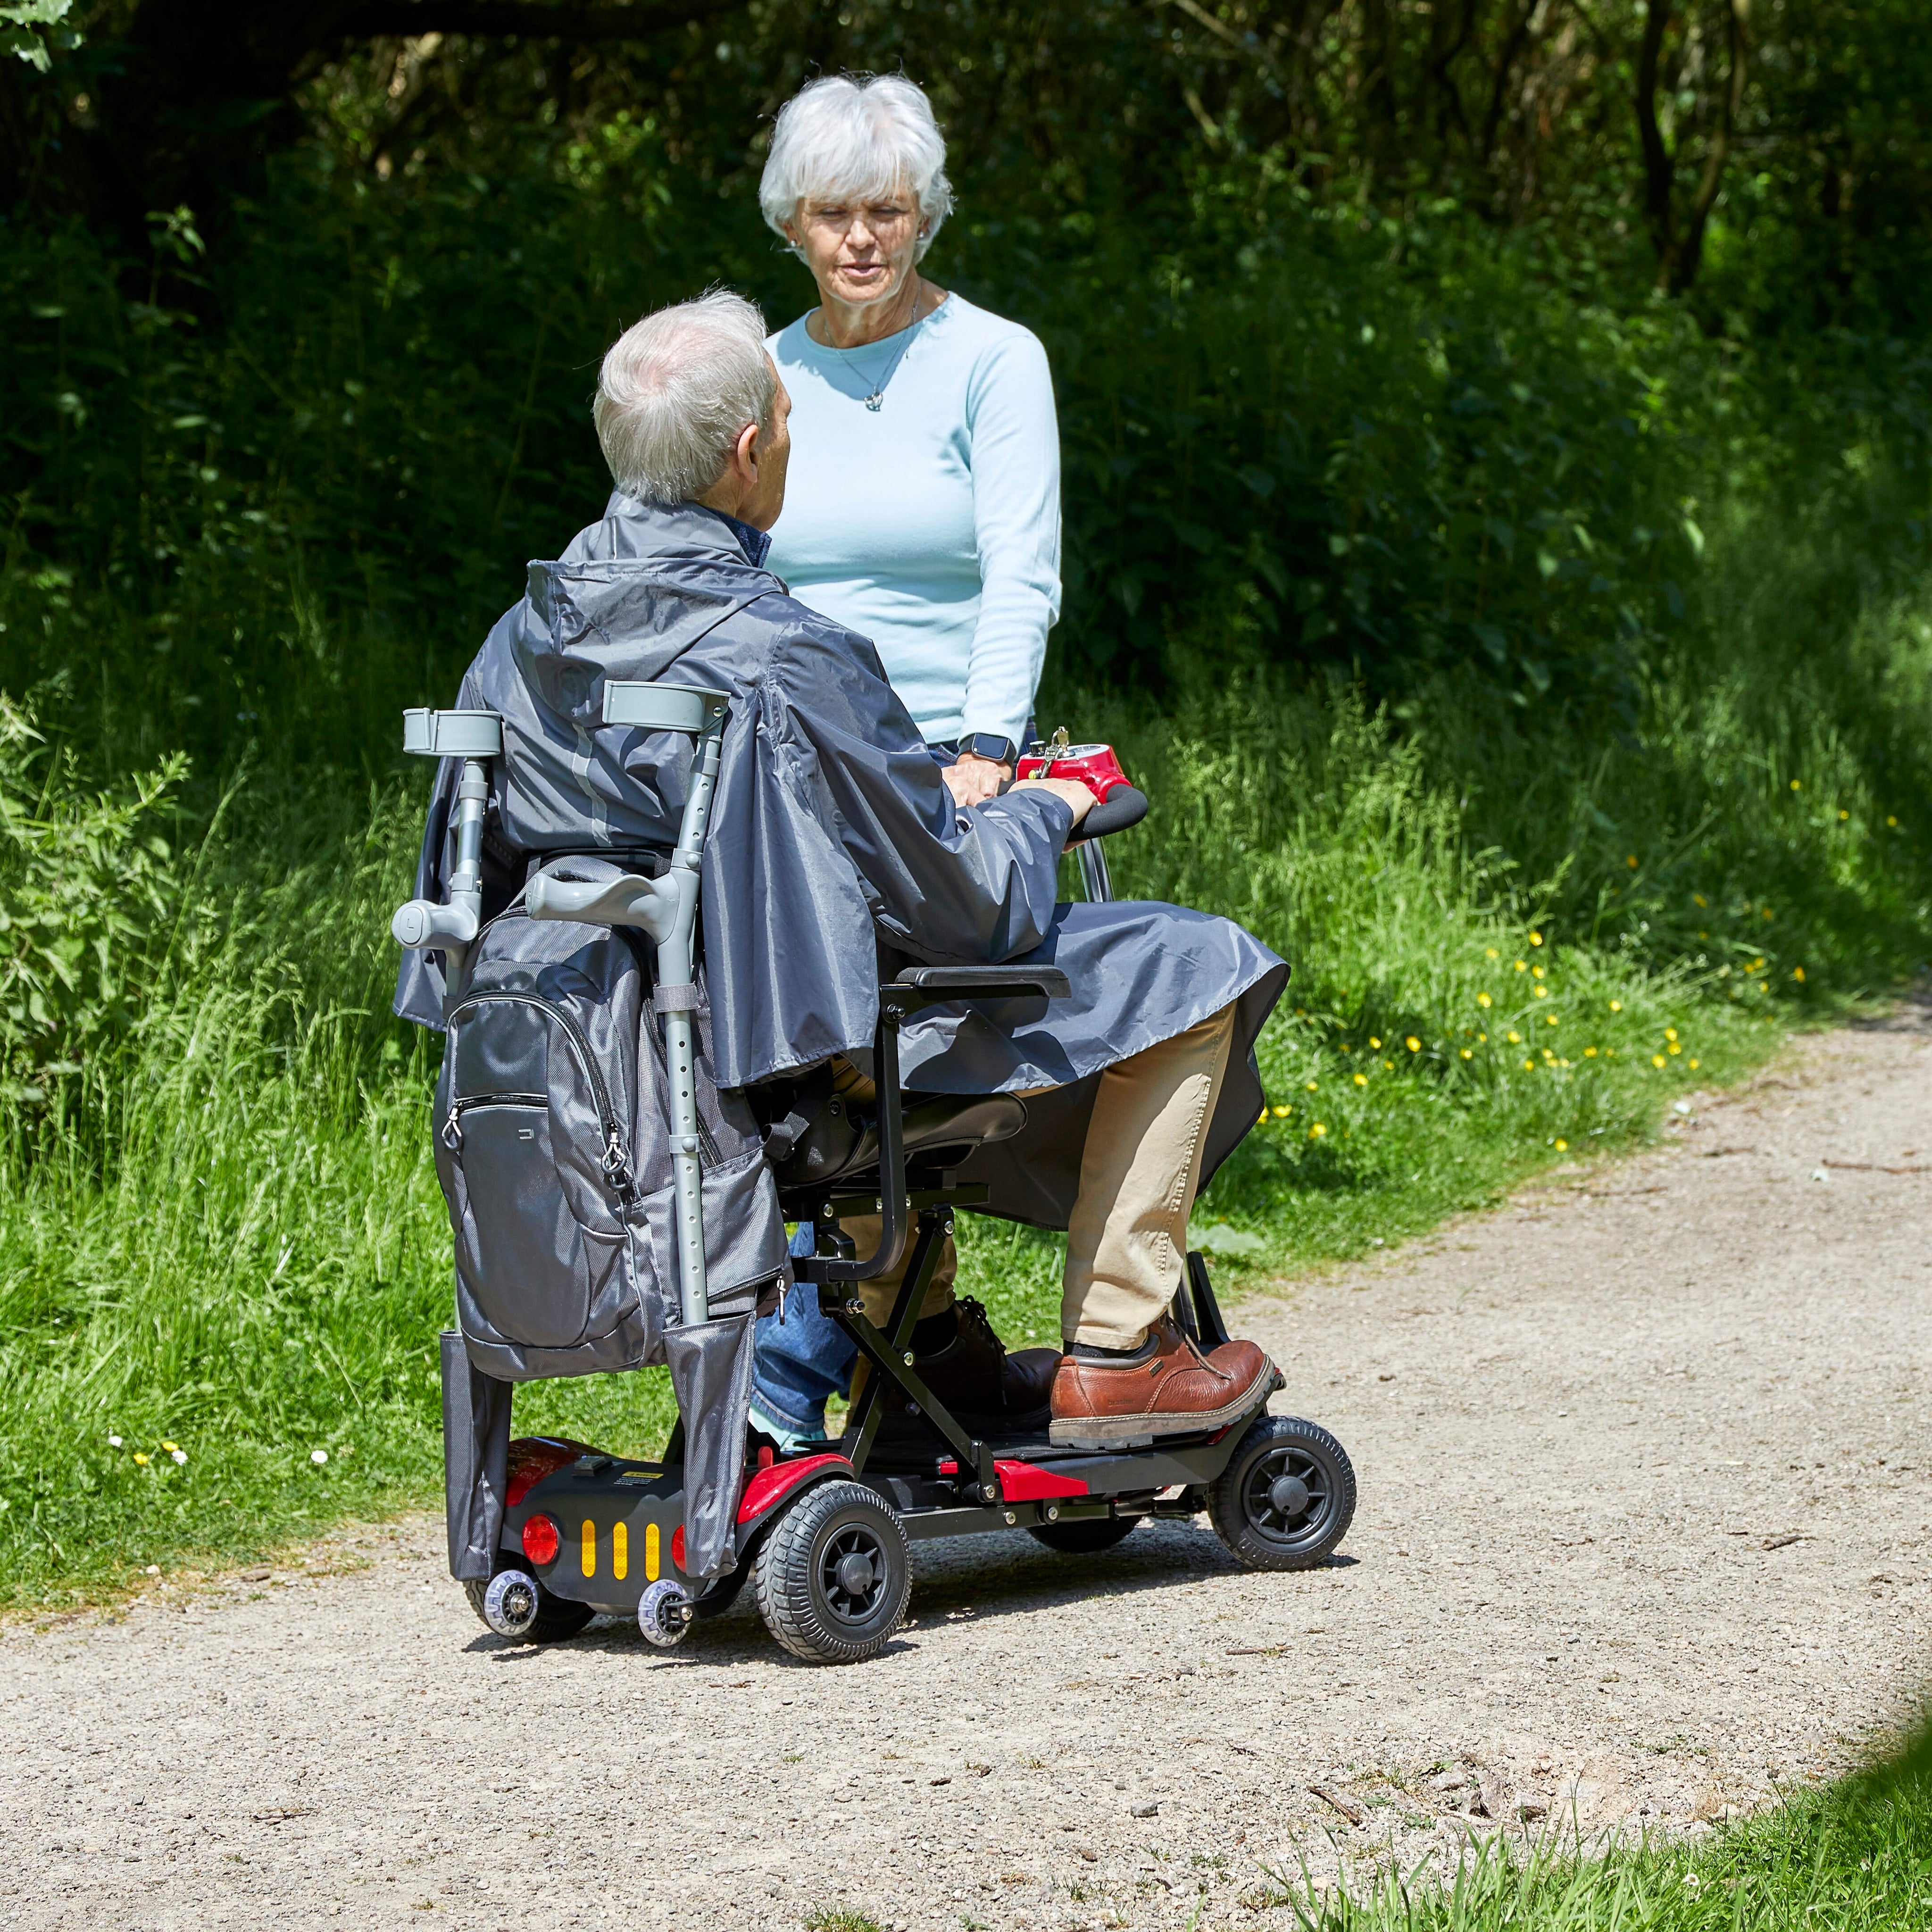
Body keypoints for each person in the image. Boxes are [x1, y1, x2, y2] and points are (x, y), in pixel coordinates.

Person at [395, 291, 1286, 1448]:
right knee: (1199, 963)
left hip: (631, 1058)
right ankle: (1119, 1349)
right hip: (809, 1067)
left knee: (863, 982)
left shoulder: (518, 643)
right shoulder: (788, 652)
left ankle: (922, 1352)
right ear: (749, 452)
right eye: (785, 416)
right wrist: (1044, 805)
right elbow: (963, 907)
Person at [758, 74, 1058, 810]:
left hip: (945, 749)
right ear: (792, 225)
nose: (861, 237)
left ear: (924, 218)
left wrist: (987, 746)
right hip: (782, 744)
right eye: (832, 213)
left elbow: (1022, 573)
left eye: (886, 210)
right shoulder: (759, 371)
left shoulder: (997, 358)